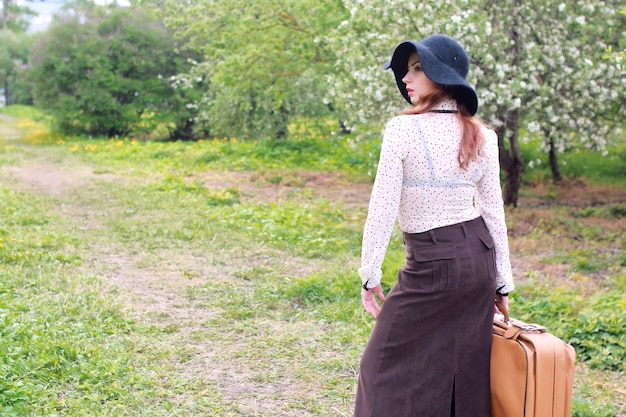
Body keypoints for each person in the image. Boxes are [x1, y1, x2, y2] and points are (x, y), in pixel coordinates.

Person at [354, 34, 515, 417]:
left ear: (442, 78)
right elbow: (494, 212)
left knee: (379, 366)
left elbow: (383, 205)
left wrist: (369, 272)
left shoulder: (402, 130)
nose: (407, 79)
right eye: (407, 70)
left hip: (434, 261)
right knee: (461, 370)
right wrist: (502, 280)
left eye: (418, 69)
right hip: (477, 259)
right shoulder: (484, 135)